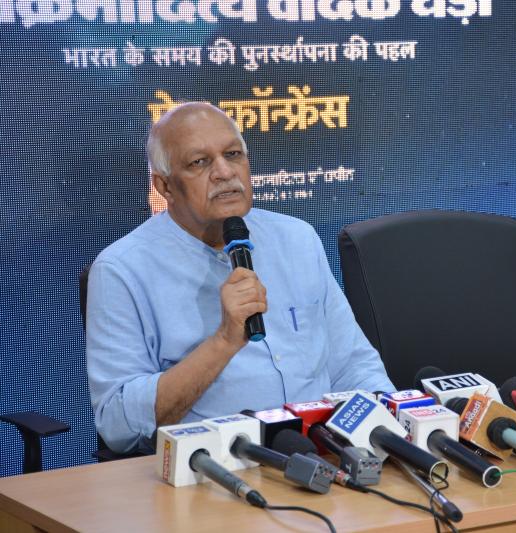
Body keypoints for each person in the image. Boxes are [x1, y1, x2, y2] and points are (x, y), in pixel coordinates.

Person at [86, 102, 395, 453]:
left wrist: (387, 430)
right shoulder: (121, 271)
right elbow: (117, 425)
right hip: (215, 468)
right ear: (165, 186)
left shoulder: (297, 239)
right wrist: (224, 341)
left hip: (326, 454)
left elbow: (353, 364)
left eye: (233, 154)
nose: (224, 172)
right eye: (199, 162)